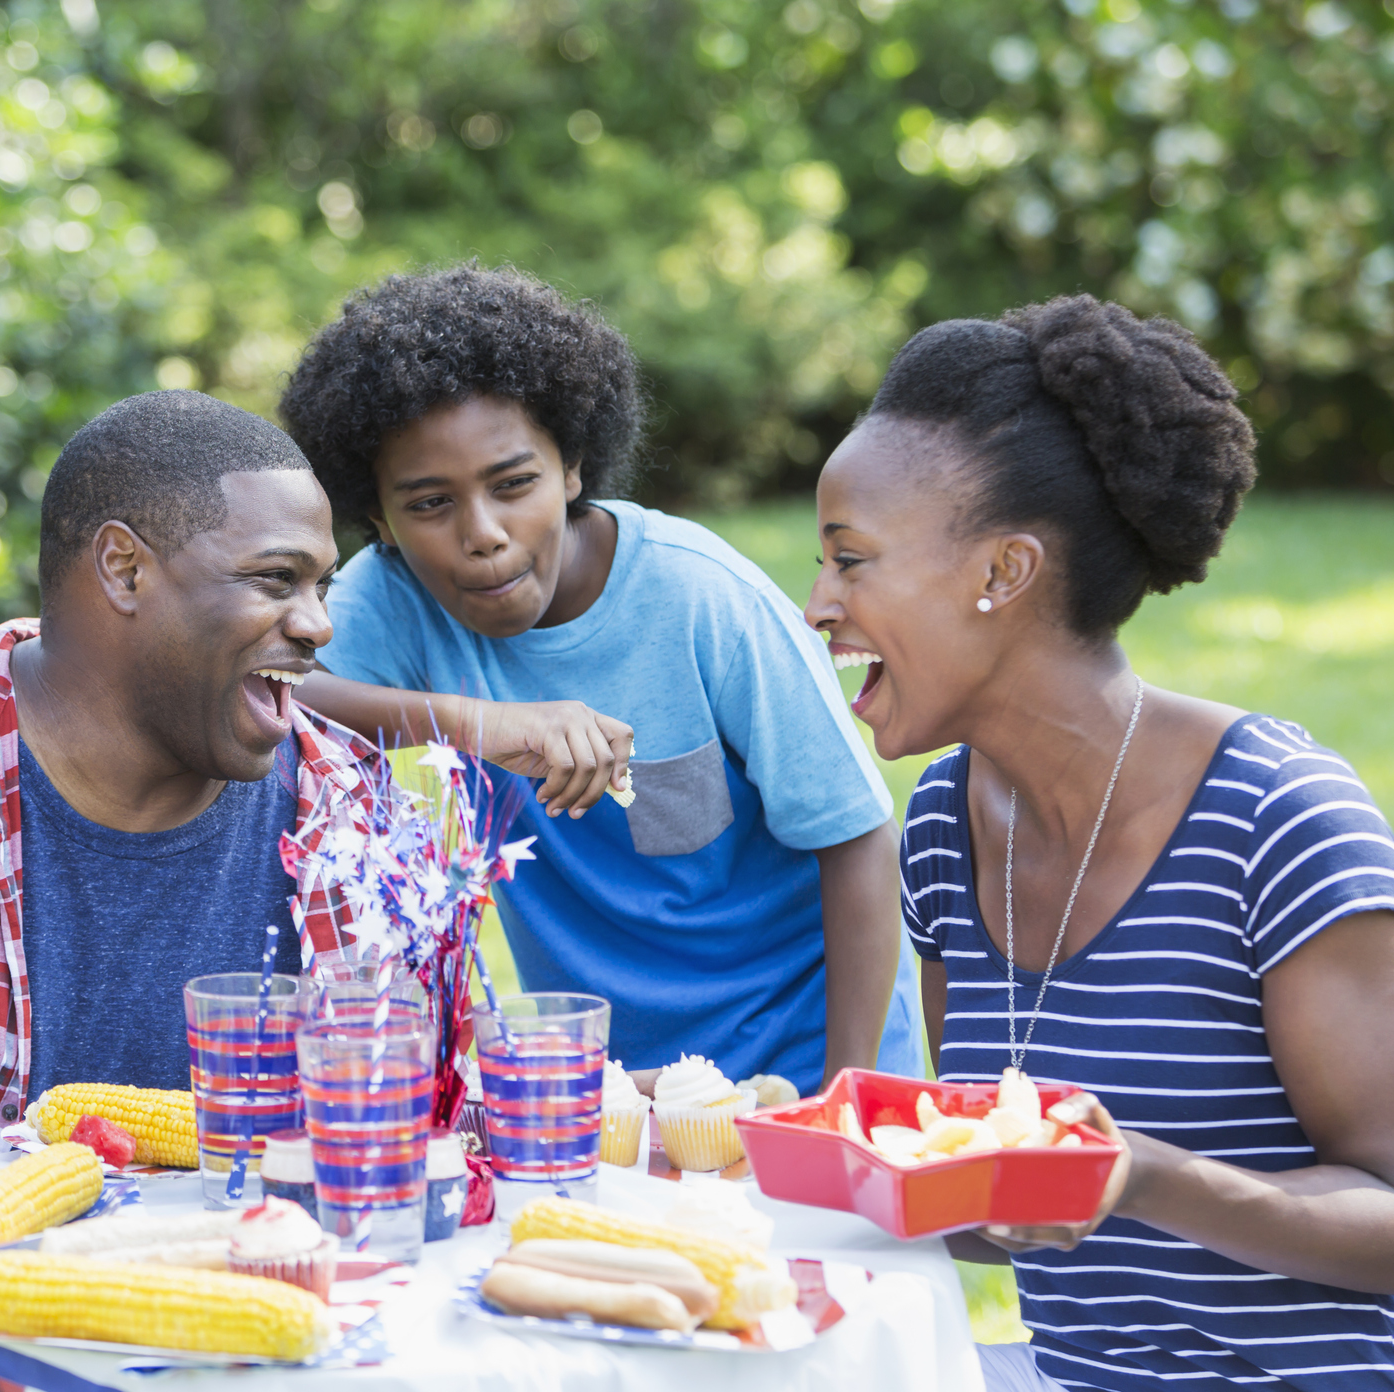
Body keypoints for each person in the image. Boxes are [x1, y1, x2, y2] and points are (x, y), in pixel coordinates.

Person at [806, 295, 1394, 1392]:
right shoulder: (947, 830)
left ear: (1002, 572)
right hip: (1079, 1388)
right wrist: (795, 1166)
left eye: (851, 561)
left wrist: (1142, 1177)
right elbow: (1006, 1216)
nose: (819, 604)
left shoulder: (1278, 819)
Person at [278, 262, 918, 1096]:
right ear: (380, 522)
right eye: (430, 505)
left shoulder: (701, 599)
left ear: (572, 468)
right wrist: (482, 724)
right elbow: (277, 692)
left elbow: (856, 837)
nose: (484, 536)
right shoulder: (396, 598)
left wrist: (847, 1091)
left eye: (514, 486)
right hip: (603, 1085)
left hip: (795, 1067)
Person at [0, 390, 380, 1152]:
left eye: (321, 585)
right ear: (124, 569)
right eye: (276, 578)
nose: (319, 624)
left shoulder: (346, 808)